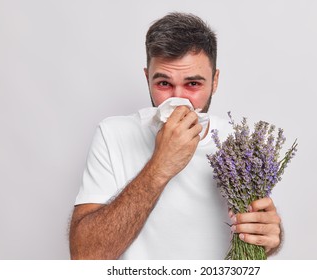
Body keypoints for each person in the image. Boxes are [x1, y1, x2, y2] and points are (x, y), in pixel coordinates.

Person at [69, 12, 281, 260]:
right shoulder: (113, 134)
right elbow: (85, 256)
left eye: (193, 84)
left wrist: (269, 236)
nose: (178, 99)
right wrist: (160, 165)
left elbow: (259, 228)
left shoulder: (240, 144)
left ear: (215, 81)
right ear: (147, 78)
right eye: (164, 84)